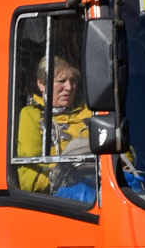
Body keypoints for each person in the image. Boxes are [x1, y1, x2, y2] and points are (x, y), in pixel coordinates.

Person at [15, 57, 94, 199]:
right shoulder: (32, 115)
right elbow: (30, 179)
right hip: (56, 202)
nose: (69, 87)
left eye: (73, 81)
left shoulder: (90, 112)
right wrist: (64, 180)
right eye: (62, 81)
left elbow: (123, 155)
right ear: (41, 84)